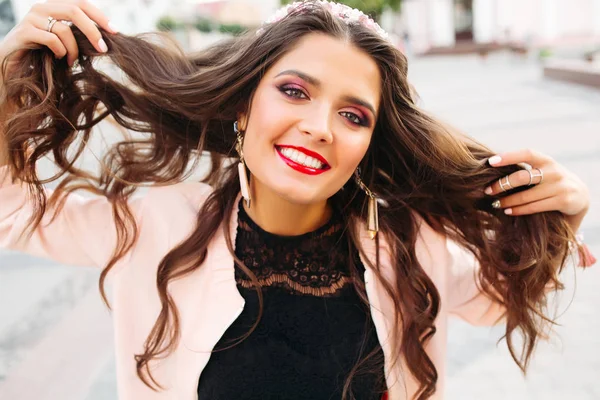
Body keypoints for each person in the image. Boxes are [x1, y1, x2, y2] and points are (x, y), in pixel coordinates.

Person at [0, 1, 595, 399]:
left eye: (353, 114)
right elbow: (13, 213)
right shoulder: (157, 224)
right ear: (242, 104)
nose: (319, 127)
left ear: (369, 142)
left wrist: (563, 216)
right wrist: (6, 73)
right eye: (293, 91)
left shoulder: (412, 244)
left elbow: (498, 298)